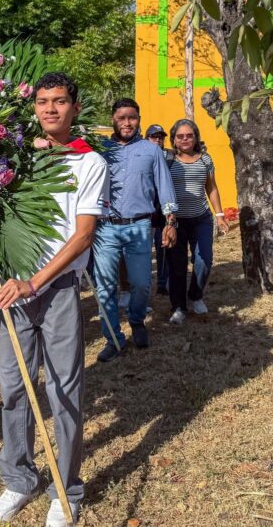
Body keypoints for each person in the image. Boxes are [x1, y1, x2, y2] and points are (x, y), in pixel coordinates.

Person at [0, 73, 108, 527]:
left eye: (59, 101)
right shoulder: (18, 158)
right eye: (42, 102)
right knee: (13, 387)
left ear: (74, 107)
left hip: (56, 289)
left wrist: (34, 283)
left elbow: (83, 236)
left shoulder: (89, 162)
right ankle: (20, 478)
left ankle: (66, 487)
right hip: (12, 289)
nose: (50, 109)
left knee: (63, 389)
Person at [92, 99, 177, 362]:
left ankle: (137, 319)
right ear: (113, 119)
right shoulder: (99, 150)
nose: (127, 123)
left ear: (139, 119)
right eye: (121, 118)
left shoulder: (151, 151)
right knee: (105, 287)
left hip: (139, 226)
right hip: (105, 227)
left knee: (141, 283)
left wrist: (171, 221)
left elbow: (164, 185)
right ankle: (113, 338)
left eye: (132, 117)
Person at [164, 119, 229, 325]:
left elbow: (212, 187)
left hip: (201, 218)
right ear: (174, 139)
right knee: (177, 265)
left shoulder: (205, 159)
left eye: (189, 135)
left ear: (195, 137)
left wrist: (220, 215)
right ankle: (178, 307)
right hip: (175, 221)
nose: (185, 139)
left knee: (204, 260)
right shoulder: (167, 160)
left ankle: (195, 295)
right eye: (180, 136)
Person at [145, 124, 171, 296]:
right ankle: (145, 286)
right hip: (146, 211)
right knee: (144, 251)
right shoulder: (141, 156)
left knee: (163, 249)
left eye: (160, 137)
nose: (158, 139)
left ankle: (162, 284)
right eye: (154, 136)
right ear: (147, 138)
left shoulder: (171, 156)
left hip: (163, 211)